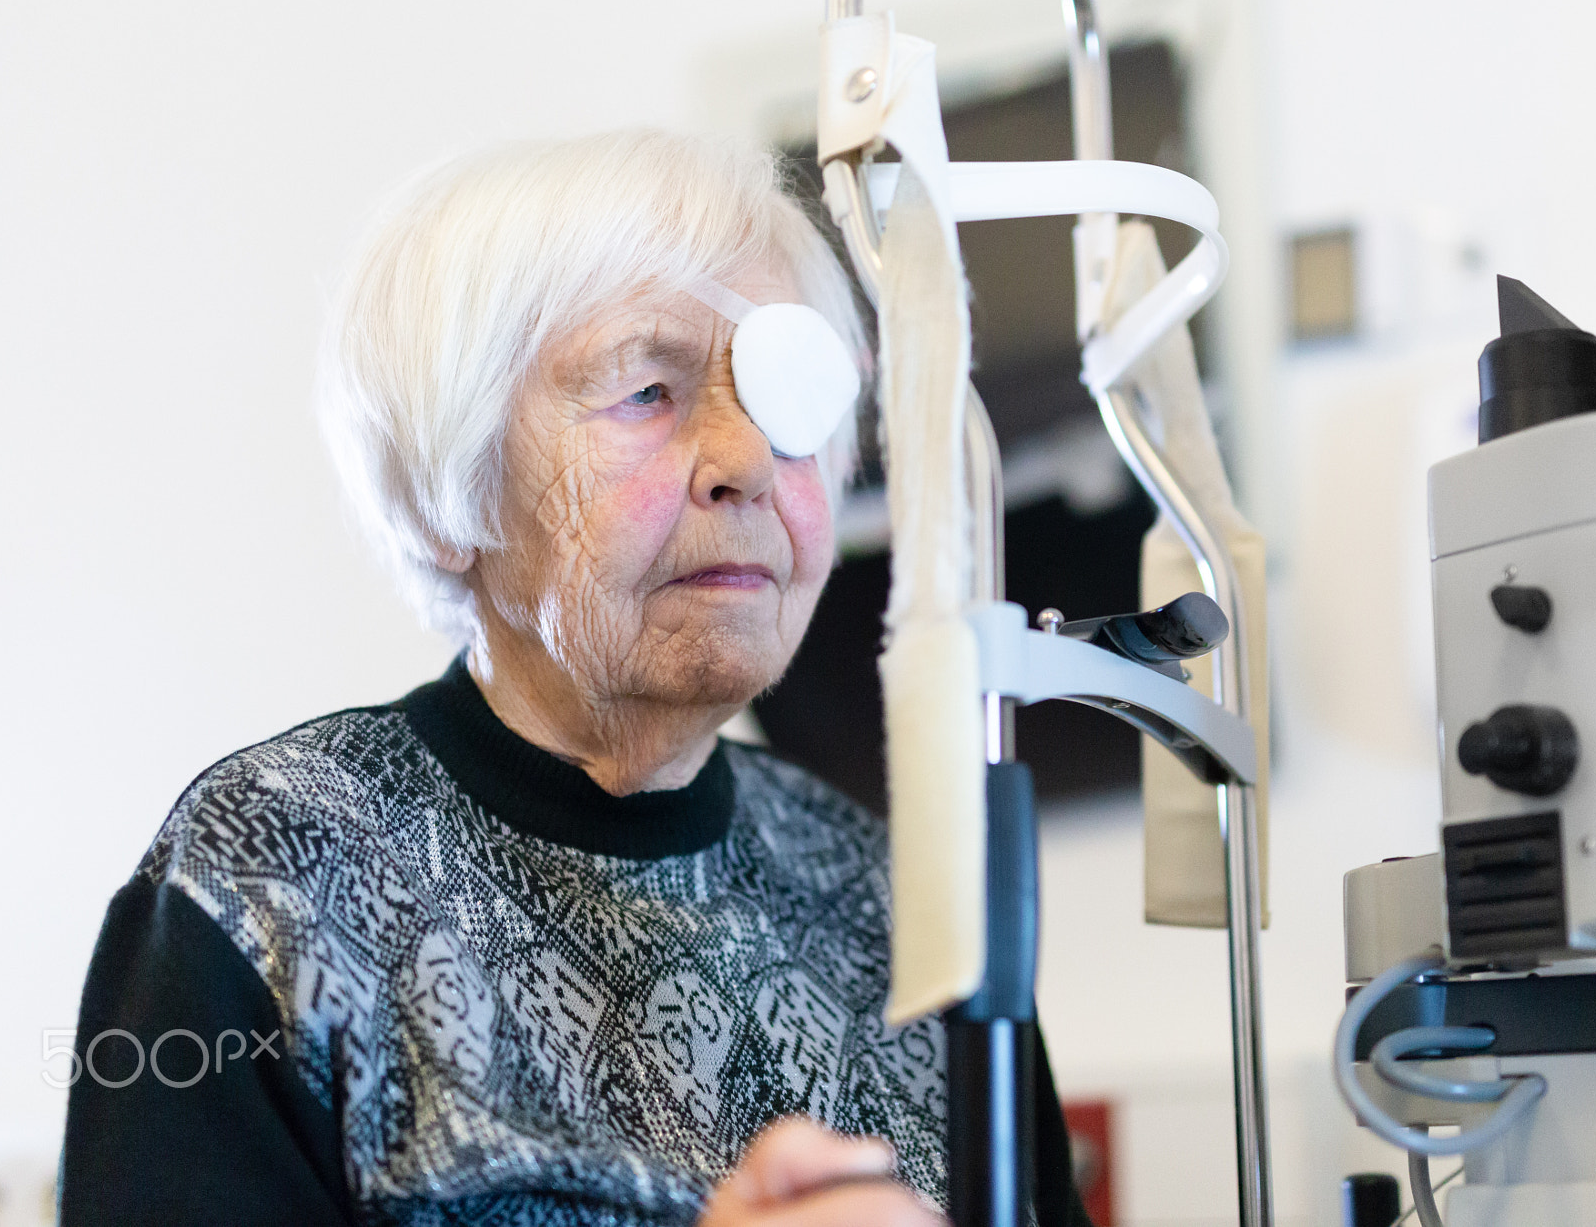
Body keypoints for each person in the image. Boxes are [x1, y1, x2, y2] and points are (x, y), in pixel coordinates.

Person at [60, 128, 1090, 1227]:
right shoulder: (263, 873)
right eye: (647, 390)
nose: (745, 463)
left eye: (788, 397)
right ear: (450, 488)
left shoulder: (896, 903)